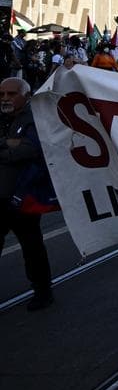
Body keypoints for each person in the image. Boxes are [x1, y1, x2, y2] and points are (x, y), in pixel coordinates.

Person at [0, 77, 54, 311]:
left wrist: (8, 147)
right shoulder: (3, 118)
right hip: (1, 197)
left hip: (23, 197)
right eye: (1, 94)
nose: (5, 99)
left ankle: (43, 291)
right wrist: (8, 143)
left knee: (32, 247)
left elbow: (30, 149)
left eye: (11, 94)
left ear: (27, 95)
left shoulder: (34, 118)